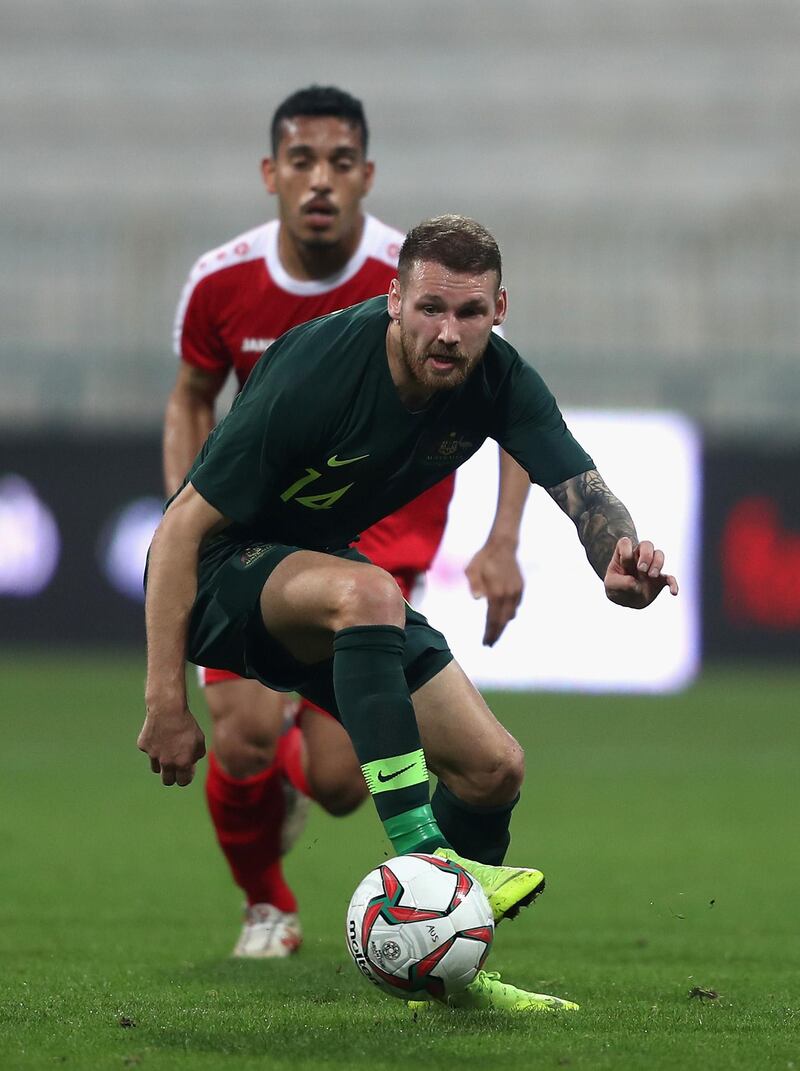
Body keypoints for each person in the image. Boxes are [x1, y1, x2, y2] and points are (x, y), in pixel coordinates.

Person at [141, 213, 678, 1012]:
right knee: (372, 593)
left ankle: (451, 975)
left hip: (322, 575)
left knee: (495, 769)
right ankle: (429, 860)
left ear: (500, 309)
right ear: (393, 299)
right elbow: (181, 526)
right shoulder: (321, 367)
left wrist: (621, 557)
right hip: (227, 573)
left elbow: (582, 488)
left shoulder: (499, 379)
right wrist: (164, 699)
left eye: (469, 312)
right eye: (431, 307)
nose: (449, 332)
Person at [164, 87, 530, 959]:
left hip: (377, 555)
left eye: (339, 163)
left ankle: (392, 856)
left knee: (336, 782)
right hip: (257, 552)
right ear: (272, 174)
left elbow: (508, 398)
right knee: (244, 739)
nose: (321, 181)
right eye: (302, 161)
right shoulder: (222, 281)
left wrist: (502, 537)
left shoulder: (417, 281)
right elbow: (190, 398)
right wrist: (191, 513)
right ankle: (267, 906)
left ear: (366, 175)